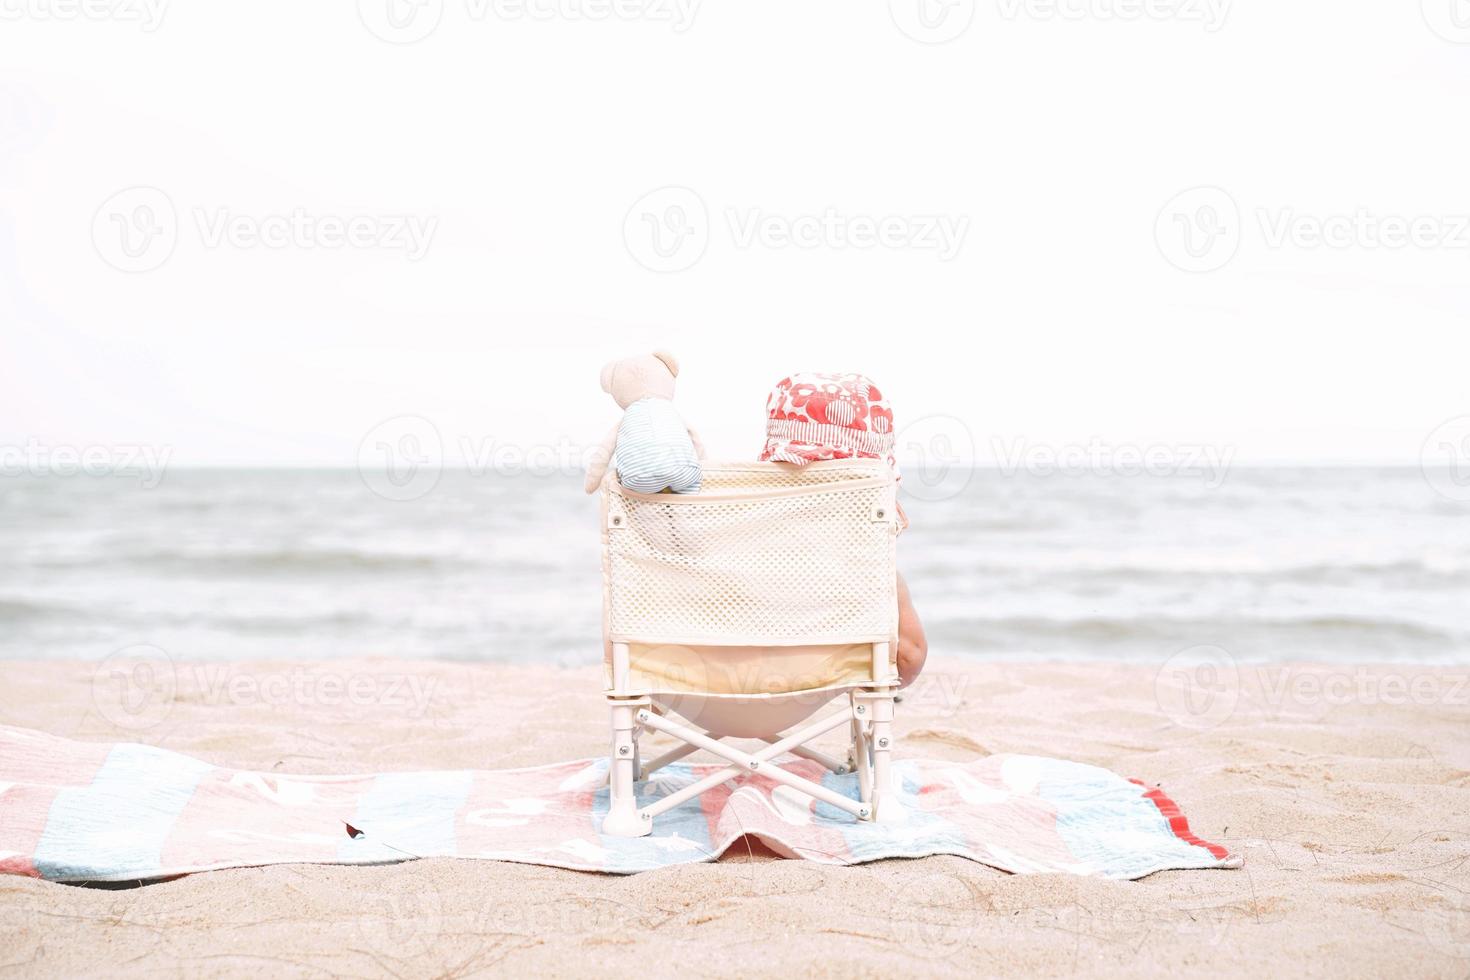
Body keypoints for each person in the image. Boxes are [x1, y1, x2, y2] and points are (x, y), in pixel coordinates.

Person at [757, 371, 928, 688]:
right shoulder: (867, 559)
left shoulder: (734, 518)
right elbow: (910, 656)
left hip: (722, 675)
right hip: (826, 677)